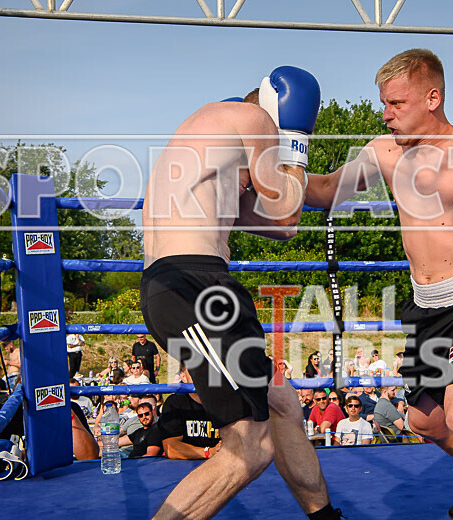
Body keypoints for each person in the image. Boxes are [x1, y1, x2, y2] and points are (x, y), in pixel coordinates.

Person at [304, 49, 453, 519]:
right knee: (426, 423)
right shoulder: (383, 151)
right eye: (384, 104)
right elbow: (326, 191)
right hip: (423, 305)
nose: (386, 114)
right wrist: (271, 171)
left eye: (396, 104)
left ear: (433, 98)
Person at [141, 65, 342, 519]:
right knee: (250, 448)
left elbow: (280, 226)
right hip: (196, 287)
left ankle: (325, 517)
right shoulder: (255, 120)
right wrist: (294, 140)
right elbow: (288, 212)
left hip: (177, 286)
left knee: (282, 403)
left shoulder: (208, 142)